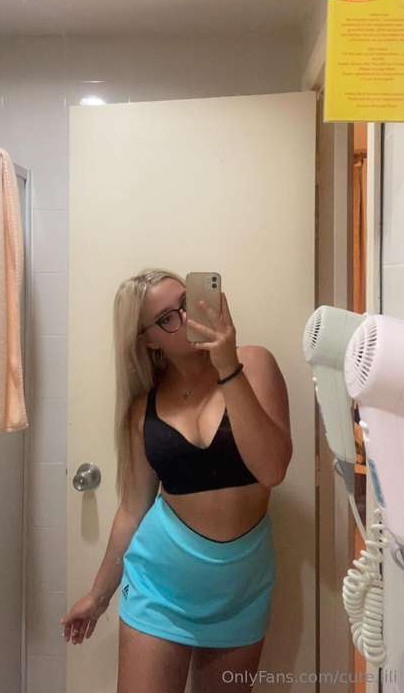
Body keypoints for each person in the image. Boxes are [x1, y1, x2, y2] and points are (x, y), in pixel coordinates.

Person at [60, 267, 292, 692]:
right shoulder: (142, 410)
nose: (185, 318)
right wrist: (98, 596)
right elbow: (132, 510)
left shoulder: (254, 364)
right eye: (167, 318)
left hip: (240, 591)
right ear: (148, 340)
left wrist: (227, 365)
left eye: (186, 303)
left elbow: (273, 469)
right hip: (159, 589)